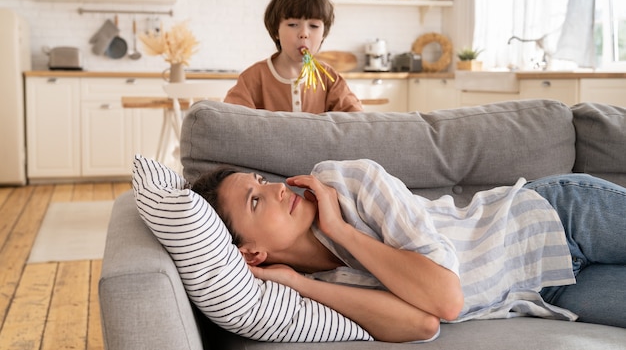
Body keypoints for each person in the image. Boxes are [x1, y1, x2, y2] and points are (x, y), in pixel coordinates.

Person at [192, 159, 626, 343]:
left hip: (555, 216)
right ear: (251, 254)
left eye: (259, 182)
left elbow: (446, 297)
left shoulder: (347, 182)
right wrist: (298, 283)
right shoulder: (314, 289)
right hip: (547, 292)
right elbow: (422, 323)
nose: (272, 190)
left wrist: (340, 230)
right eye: (254, 201)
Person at [223, 0, 363, 113]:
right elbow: (230, 122)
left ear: (323, 34)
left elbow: (357, 121)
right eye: (293, 25)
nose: (304, 34)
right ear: (276, 30)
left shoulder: (329, 78)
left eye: (314, 26)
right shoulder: (253, 78)